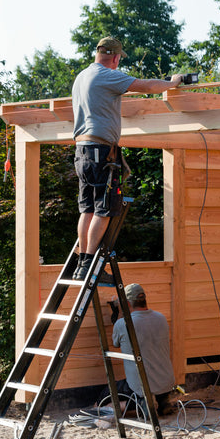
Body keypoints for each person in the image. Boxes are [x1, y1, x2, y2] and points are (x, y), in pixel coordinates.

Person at [71, 36, 183, 280]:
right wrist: (172, 83)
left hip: (82, 152)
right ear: (115, 57)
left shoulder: (82, 77)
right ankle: (89, 264)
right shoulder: (105, 75)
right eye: (119, 59)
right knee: (103, 209)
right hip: (100, 151)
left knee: (87, 208)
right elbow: (146, 86)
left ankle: (81, 263)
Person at [111, 283, 176, 415]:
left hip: (141, 387)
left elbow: (115, 343)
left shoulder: (123, 323)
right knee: (154, 384)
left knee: (104, 398)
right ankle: (163, 402)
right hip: (166, 383)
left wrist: (120, 313)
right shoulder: (161, 318)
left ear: (127, 304)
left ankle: (141, 405)